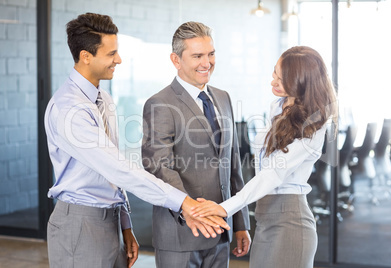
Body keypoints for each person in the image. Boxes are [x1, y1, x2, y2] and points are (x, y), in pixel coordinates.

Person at [44, 13, 228, 268]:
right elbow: (119, 169)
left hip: (110, 223)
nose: (118, 59)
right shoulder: (69, 109)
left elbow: (112, 172)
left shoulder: (103, 100)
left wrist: (125, 225)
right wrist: (184, 203)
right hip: (80, 223)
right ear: (86, 56)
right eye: (111, 54)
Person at [192, 46, 338, 268]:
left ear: (301, 82)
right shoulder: (278, 108)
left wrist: (225, 208)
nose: (273, 82)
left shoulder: (313, 125)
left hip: (289, 221)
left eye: (281, 79)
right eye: (274, 74)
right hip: (265, 217)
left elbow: (273, 173)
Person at [141, 21, 251, 267]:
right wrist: (190, 210)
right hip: (180, 235)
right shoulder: (159, 103)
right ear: (176, 59)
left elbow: (232, 165)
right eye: (197, 56)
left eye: (211, 54)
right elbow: (159, 166)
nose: (207, 63)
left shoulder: (223, 98)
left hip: (221, 232)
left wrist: (241, 223)